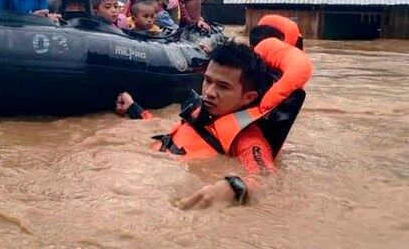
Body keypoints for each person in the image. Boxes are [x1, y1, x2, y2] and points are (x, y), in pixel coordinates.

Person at [116, 37, 310, 208]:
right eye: (208, 80)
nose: (209, 91)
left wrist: (233, 188)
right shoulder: (201, 113)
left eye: (223, 86)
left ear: (248, 98)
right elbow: (171, 133)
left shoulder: (248, 141)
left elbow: (268, 180)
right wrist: (134, 109)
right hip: (135, 179)